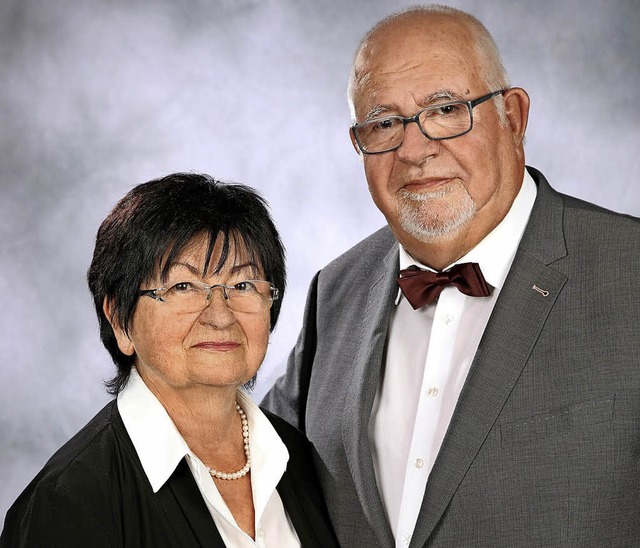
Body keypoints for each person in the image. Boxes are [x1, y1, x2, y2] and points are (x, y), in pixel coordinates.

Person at [262, 5, 640, 548]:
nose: (414, 150)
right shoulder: (335, 292)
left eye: (445, 110)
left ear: (513, 116)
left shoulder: (630, 270)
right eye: (384, 123)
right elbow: (250, 470)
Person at [1, 173, 339, 547]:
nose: (220, 315)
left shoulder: (297, 457)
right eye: (183, 287)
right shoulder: (68, 503)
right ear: (119, 320)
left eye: (243, 285)